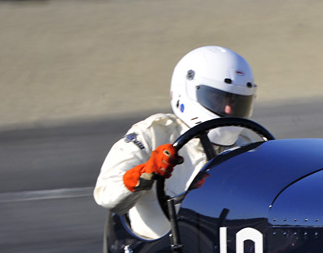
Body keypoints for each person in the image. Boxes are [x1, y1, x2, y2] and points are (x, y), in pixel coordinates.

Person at [94, 45, 258, 239]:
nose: (229, 111)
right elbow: (106, 195)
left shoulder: (248, 146)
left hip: (220, 251)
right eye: (218, 99)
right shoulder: (153, 133)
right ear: (186, 91)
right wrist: (145, 173)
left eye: (237, 102)